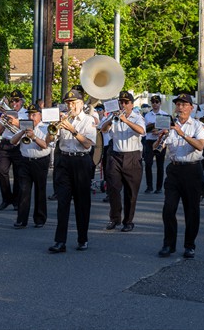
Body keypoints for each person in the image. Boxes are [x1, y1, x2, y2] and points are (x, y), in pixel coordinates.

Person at [157, 93, 204, 259]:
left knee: (191, 210)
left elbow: (200, 145)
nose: (180, 108)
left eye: (184, 105)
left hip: (192, 170)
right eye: (178, 105)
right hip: (174, 169)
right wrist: (159, 139)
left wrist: (182, 134)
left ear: (191, 108)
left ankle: (189, 245)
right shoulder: (170, 125)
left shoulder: (197, 126)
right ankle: (168, 244)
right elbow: (155, 148)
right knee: (168, 209)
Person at [49, 89, 96, 253]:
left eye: (74, 103)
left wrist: (73, 130)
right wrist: (53, 128)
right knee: (62, 203)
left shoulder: (88, 120)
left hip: (81, 161)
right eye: (68, 103)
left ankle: (82, 238)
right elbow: (50, 139)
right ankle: (60, 241)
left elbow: (88, 144)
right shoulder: (62, 119)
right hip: (64, 161)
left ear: (81, 104)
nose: (71, 106)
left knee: (82, 203)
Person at [99, 91, 145, 232]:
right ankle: (114, 218)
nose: (123, 105)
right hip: (115, 156)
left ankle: (128, 221)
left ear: (131, 104)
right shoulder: (114, 117)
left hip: (132, 156)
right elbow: (103, 129)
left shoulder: (137, 117)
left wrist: (126, 120)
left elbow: (142, 131)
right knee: (113, 189)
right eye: (121, 102)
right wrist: (111, 118)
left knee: (131, 192)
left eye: (126, 102)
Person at [10, 104, 52, 229]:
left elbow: (45, 145)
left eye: (34, 114)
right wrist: (22, 131)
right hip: (25, 161)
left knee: (40, 190)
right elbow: (13, 141)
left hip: (40, 161)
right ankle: (21, 219)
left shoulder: (46, 127)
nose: (31, 117)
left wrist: (33, 136)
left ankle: (39, 219)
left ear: (40, 115)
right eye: (29, 114)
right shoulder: (24, 126)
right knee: (24, 191)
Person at [0, 90, 27, 211]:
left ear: (21, 102)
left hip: (19, 144)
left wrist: (15, 121)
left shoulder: (26, 113)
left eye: (16, 101)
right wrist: (3, 120)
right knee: (1, 171)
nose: (14, 103)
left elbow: (27, 127)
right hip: (5, 143)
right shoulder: (6, 113)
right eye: (12, 101)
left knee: (19, 174)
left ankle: (16, 200)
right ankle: (6, 198)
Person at [142, 94, 168, 194]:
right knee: (148, 164)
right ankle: (149, 186)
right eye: (153, 102)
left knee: (160, 165)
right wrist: (150, 129)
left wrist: (159, 132)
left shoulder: (164, 114)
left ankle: (159, 187)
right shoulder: (147, 115)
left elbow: (167, 129)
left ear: (160, 103)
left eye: (157, 102)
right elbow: (144, 129)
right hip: (149, 141)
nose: (155, 104)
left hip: (160, 140)